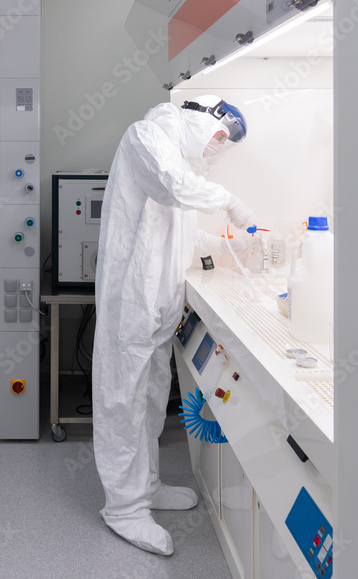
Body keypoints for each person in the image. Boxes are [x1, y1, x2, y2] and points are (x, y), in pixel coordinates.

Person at [91, 94, 254, 556]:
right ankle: (123, 507)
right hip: (132, 302)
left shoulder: (179, 163)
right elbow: (171, 188)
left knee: (149, 397)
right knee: (124, 400)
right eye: (220, 136)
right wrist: (232, 204)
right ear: (197, 115)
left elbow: (179, 233)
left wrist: (228, 245)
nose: (217, 148)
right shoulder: (148, 137)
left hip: (158, 306)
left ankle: (146, 486)